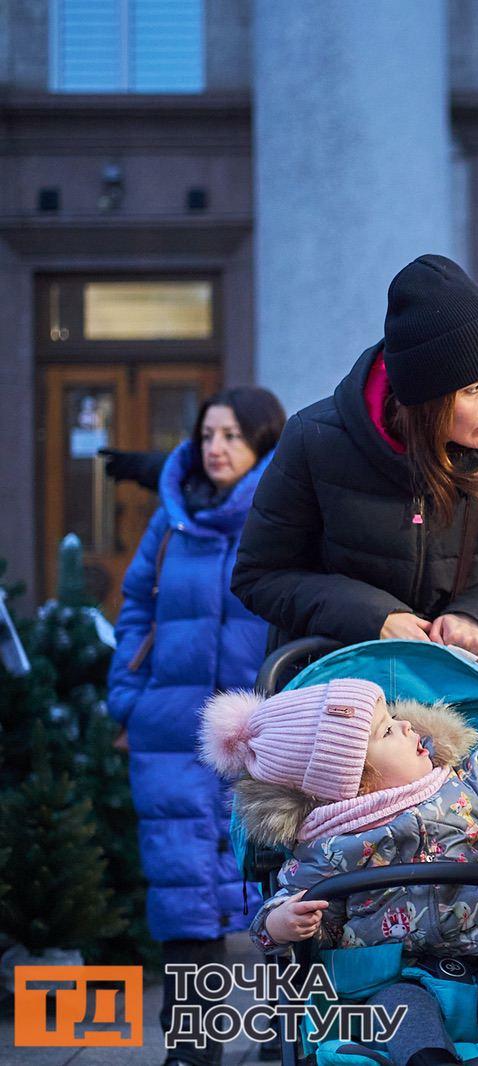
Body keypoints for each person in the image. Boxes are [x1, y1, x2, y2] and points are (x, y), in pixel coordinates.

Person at [199, 665, 478, 1066]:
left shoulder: (467, 789)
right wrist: (280, 923)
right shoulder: (323, 848)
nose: (409, 725)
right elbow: (277, 915)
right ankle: (429, 1060)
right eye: (388, 731)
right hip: (390, 982)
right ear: (352, 776)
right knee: (402, 1011)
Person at [231, 254, 478, 677]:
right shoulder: (315, 439)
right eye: (473, 388)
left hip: (466, 692)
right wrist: (372, 618)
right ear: (423, 397)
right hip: (340, 695)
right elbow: (259, 575)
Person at [107, 385, 286, 1066]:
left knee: (279, 882)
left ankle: (283, 1034)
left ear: (263, 444)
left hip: (261, 728)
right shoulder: (173, 517)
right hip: (174, 726)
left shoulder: (282, 511)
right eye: (209, 434)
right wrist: (127, 699)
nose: (216, 448)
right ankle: (192, 1046)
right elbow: (134, 607)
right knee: (183, 888)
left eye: (233, 436)